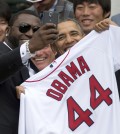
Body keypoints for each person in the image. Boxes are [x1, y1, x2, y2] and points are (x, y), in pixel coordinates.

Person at [0, 9, 58, 134]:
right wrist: (29, 47)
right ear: (8, 31)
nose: (31, 33)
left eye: (37, 30)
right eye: (24, 28)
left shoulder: (33, 62)